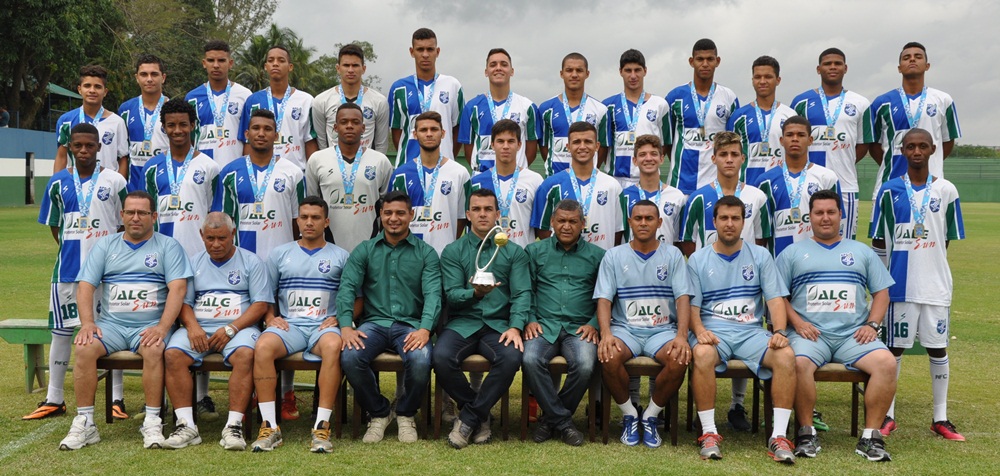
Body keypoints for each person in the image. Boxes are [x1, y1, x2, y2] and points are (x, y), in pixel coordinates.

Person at [58, 191, 192, 450]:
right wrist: (87, 323)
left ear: (154, 216)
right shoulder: (106, 245)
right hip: (112, 326)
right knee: (84, 347)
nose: (135, 218)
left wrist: (163, 328)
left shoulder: (168, 246)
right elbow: (85, 287)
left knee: (154, 348)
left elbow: (178, 290)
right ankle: (85, 423)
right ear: (121, 215)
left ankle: (153, 421)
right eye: (130, 212)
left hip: (149, 325)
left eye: (142, 213)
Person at [777, 190, 898, 462]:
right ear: (809, 217)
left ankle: (870, 437)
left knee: (887, 363)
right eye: (819, 213)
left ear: (841, 215)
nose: (825, 218)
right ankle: (806, 432)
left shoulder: (861, 251)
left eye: (831, 212)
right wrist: (798, 322)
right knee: (797, 364)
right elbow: (778, 297)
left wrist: (872, 324)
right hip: (810, 335)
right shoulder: (793, 253)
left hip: (851, 336)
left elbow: (882, 293)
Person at [24, 124, 127, 421]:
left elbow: (123, 225)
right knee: (62, 332)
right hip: (67, 273)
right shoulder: (57, 183)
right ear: (70, 147)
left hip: (108, 275)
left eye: (89, 145)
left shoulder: (115, 181)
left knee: (110, 332)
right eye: (78, 145)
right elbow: (56, 227)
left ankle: (116, 399)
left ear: (98, 147)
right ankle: (55, 398)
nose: (84, 150)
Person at [870, 128, 966, 441]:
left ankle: (941, 417)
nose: (916, 152)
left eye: (922, 146)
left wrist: (930, 266)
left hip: (935, 286)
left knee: (937, 348)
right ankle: (888, 415)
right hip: (899, 287)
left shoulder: (948, 190)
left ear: (933, 149)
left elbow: (947, 239)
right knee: (893, 349)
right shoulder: (888, 190)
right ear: (902, 150)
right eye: (910, 146)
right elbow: (879, 240)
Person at [687, 195, 796, 463]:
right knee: (701, 355)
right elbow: (691, 307)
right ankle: (709, 433)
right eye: (723, 218)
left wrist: (780, 331)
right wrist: (699, 330)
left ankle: (779, 436)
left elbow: (775, 300)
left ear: (743, 222)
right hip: (714, 332)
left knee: (786, 356)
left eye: (735, 218)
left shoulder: (760, 255)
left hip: (751, 333)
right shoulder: (698, 259)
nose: (729, 223)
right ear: (714, 222)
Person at [337, 191, 442, 444]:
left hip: (410, 326)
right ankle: (380, 412)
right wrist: (345, 326)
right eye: (388, 213)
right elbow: (347, 288)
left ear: (411, 215)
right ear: (380, 215)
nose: (393, 218)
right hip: (374, 324)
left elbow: (433, 295)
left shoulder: (426, 253)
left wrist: (426, 329)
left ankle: (405, 413)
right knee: (350, 357)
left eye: (400, 213)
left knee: (420, 359)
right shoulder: (365, 250)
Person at [160, 212, 272, 451]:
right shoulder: (192, 262)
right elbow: (184, 302)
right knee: (173, 355)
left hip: (239, 328)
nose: (216, 244)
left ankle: (233, 427)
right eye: (210, 238)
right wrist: (192, 327)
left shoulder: (252, 261)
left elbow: (261, 304)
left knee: (245, 354)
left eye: (222, 238)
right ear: (201, 235)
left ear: (233, 234)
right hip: (200, 328)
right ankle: (186, 426)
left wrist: (232, 328)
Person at [251, 196, 350, 453]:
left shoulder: (341, 256)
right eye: (304, 217)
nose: (309, 222)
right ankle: (270, 426)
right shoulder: (280, 253)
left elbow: (356, 298)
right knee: (262, 347)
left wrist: (340, 318)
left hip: (323, 326)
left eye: (316, 217)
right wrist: (270, 318)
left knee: (334, 345)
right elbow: (265, 293)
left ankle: (321, 426)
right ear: (297, 221)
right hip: (290, 326)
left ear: (326, 221)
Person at [433, 188, 530, 449]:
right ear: (468, 214)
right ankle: (480, 414)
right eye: (476, 209)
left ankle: (467, 419)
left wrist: (515, 327)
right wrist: (474, 294)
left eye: (488, 209)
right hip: (462, 323)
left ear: (498, 214)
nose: (482, 214)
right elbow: (452, 295)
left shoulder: (514, 252)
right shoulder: (453, 251)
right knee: (441, 357)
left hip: (499, 325)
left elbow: (522, 294)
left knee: (511, 357)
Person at [595, 199, 692, 448]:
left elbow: (682, 298)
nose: (643, 223)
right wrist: (606, 334)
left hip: (661, 330)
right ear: (629, 222)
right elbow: (604, 299)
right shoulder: (614, 255)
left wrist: (681, 336)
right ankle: (629, 414)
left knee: (679, 357)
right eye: (638, 218)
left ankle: (650, 416)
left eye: (649, 218)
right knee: (608, 355)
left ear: (660, 222)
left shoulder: (672, 255)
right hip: (626, 329)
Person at [866, 42, 961, 265]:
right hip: (889, 182)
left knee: (932, 237)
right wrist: (897, 163)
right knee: (882, 238)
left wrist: (928, 164)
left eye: (918, 56)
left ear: (927, 65)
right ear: (899, 67)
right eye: (906, 57)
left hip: (931, 184)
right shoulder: (882, 103)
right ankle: (882, 292)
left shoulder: (943, 100)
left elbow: (947, 142)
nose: (912, 59)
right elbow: (873, 145)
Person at [523, 199, 605, 446]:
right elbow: (525, 291)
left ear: (583, 224)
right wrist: (529, 319)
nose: (566, 226)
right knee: (529, 359)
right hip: (543, 325)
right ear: (552, 222)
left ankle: (550, 420)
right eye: (561, 221)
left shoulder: (598, 256)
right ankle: (563, 422)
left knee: (584, 363)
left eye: (572, 221)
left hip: (580, 328)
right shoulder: (534, 252)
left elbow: (606, 297)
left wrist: (595, 323)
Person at [791, 48, 871, 239]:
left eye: (837, 63)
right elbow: (793, 138)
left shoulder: (861, 103)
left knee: (844, 242)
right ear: (818, 69)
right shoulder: (801, 102)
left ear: (846, 68)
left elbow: (863, 145)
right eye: (827, 64)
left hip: (845, 184)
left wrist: (844, 161)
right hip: (807, 184)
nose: (833, 67)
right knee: (805, 239)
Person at [213, 109, 304, 262]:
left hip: (282, 260)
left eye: (267, 129)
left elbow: (297, 221)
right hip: (240, 261)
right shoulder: (229, 173)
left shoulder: (294, 173)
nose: (261, 133)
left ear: (276, 136)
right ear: (247, 134)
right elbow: (223, 220)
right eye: (256, 128)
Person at [306, 102, 393, 252]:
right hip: (327, 248)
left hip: (370, 248)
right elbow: (311, 204)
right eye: (344, 122)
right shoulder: (317, 159)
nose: (349, 126)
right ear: (335, 127)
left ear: (363, 128)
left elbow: (387, 206)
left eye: (355, 122)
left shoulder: (380, 161)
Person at [752, 116, 841, 257]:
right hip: (778, 259)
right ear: (781, 140)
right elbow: (761, 232)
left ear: (810, 140)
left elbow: (836, 224)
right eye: (789, 135)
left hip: (817, 258)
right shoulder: (765, 181)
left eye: (801, 135)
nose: (795, 139)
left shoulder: (827, 177)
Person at [143, 98, 220, 258]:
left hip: (198, 255)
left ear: (192, 125)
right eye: (171, 125)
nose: (177, 130)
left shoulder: (209, 167)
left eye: (183, 124)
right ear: (163, 128)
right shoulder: (151, 168)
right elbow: (145, 215)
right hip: (159, 255)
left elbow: (215, 214)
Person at [532, 121, 623, 250]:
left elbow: (618, 230)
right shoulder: (550, 185)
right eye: (576, 142)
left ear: (597, 146)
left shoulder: (612, 186)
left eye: (588, 141)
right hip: (562, 264)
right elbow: (542, 230)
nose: (582, 146)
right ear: (568, 147)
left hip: (601, 262)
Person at [665, 39, 740, 195]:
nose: (705, 64)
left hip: (716, 185)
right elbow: (667, 142)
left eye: (710, 59)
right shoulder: (675, 97)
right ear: (691, 62)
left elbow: (733, 141)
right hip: (680, 184)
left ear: (717, 61)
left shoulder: (728, 97)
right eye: (700, 59)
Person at [391, 111, 470, 256]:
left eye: (434, 129)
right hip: (408, 255)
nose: (429, 134)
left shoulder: (460, 173)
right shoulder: (400, 174)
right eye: (423, 130)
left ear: (443, 133)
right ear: (415, 135)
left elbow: (462, 218)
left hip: (445, 256)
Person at [388, 28, 464, 166]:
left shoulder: (453, 85)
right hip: (408, 165)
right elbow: (397, 131)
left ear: (437, 52)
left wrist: (447, 152)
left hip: (444, 167)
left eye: (430, 49)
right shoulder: (398, 88)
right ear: (412, 52)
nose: (425, 54)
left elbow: (457, 129)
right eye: (420, 49)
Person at [458, 48, 540, 173]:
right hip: (482, 177)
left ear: (512, 71)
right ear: (486, 72)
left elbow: (531, 150)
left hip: (517, 178)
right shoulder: (472, 107)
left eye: (504, 64)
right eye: (493, 65)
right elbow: (468, 149)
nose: (498, 68)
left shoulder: (527, 107)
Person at [239, 45, 318, 171]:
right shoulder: (253, 101)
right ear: (265, 66)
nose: (275, 64)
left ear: (290, 67)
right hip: (261, 175)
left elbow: (309, 142)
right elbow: (248, 142)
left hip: (296, 173)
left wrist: (312, 176)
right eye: (271, 60)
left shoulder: (306, 100)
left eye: (281, 60)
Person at [468, 119, 544, 247]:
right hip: (487, 257)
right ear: (492, 145)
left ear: (519, 145)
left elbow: (539, 228)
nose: (505, 146)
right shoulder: (476, 182)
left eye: (511, 141)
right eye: (500, 141)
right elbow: (470, 225)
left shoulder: (535, 180)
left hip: (522, 256)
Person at [603, 49, 670, 188]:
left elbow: (665, 144)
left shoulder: (660, 104)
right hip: (616, 180)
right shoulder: (607, 106)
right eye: (628, 70)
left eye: (637, 70)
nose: (633, 76)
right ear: (620, 71)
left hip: (648, 179)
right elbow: (604, 146)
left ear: (645, 71)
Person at [727, 56, 797, 185]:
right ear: (752, 80)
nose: (762, 81)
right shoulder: (738, 117)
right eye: (758, 77)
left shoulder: (790, 115)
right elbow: (728, 155)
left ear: (778, 80)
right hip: (747, 186)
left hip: (781, 185)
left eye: (768, 77)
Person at [538, 53, 610, 176]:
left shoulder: (600, 109)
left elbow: (602, 147)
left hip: (588, 180)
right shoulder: (546, 108)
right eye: (569, 70)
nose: (574, 75)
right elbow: (544, 146)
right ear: (562, 74)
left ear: (587, 74)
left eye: (579, 70)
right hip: (555, 179)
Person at [185, 40, 254, 168]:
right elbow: (188, 140)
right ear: (204, 63)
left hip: (234, 169)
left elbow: (249, 139)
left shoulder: (245, 95)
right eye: (211, 60)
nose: (216, 65)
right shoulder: (192, 98)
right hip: (201, 171)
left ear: (230, 63)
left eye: (221, 61)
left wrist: (245, 169)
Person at [54, 65, 129, 179]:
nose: (92, 90)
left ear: (105, 91)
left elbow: (123, 159)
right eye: (87, 86)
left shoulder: (117, 122)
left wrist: (119, 187)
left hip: (106, 189)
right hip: (75, 185)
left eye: (98, 87)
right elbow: (61, 156)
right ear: (80, 89)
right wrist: (56, 185)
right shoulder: (66, 121)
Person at [312, 43, 389, 153]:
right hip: (333, 166)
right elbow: (321, 143)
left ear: (363, 68)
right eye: (346, 65)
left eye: (355, 65)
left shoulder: (379, 101)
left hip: (367, 167)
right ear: (338, 68)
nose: (351, 70)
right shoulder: (321, 101)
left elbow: (381, 145)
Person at [118, 54, 170, 192]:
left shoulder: (174, 110)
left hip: (166, 186)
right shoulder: (125, 110)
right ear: (137, 78)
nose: (149, 79)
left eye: (154, 74)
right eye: (144, 74)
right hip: (134, 187)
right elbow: (121, 153)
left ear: (163, 78)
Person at [620, 135, 686, 244]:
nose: (648, 158)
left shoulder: (677, 196)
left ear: (661, 159)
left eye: (654, 154)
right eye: (642, 154)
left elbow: (679, 240)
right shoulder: (624, 196)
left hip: (665, 260)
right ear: (635, 161)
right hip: (631, 259)